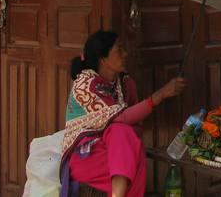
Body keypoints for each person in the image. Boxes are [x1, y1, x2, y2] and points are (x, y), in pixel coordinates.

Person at [61, 30, 186, 197]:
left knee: (127, 143)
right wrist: (161, 94)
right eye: (119, 50)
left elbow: (135, 125)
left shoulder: (126, 83)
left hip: (118, 153)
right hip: (87, 156)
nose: (125, 54)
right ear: (103, 58)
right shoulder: (85, 84)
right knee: (120, 131)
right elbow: (123, 117)